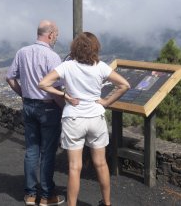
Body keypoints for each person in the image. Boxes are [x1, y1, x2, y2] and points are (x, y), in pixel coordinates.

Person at [38, 32, 130, 206]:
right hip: (96, 117)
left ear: (75, 48)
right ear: (95, 48)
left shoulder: (67, 66)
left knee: (74, 168)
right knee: (101, 164)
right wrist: (106, 102)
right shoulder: (101, 66)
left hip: (73, 118)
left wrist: (64, 95)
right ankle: (107, 203)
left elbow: (43, 84)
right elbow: (125, 85)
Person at [6, 20, 66, 206]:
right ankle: (47, 196)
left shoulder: (22, 52)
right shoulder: (52, 57)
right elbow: (56, 88)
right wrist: (64, 108)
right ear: (50, 35)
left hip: (29, 106)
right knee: (48, 153)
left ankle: (31, 194)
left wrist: (23, 94)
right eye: (55, 34)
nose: (56, 38)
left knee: (31, 150)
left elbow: (9, 77)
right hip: (48, 108)